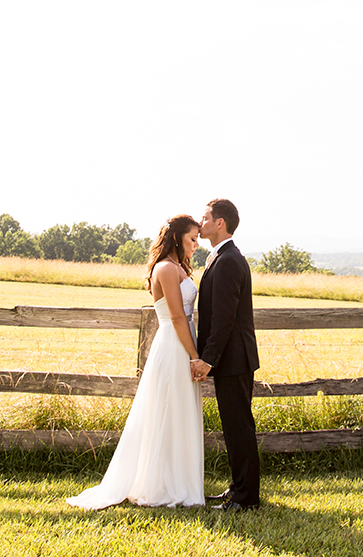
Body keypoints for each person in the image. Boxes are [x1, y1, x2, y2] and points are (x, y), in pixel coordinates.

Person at [66, 214, 207, 509]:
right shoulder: (166, 268)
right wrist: (195, 356)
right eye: (192, 238)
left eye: (197, 239)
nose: (196, 244)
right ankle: (161, 483)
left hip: (183, 341)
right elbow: (178, 317)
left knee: (179, 410)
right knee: (167, 408)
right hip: (173, 345)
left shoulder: (179, 267)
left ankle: (176, 477)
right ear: (177, 237)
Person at [192, 198, 260, 510]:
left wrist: (208, 359)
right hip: (232, 359)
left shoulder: (230, 260)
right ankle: (237, 490)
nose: (200, 222)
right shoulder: (221, 257)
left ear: (220, 223)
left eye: (205, 218)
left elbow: (224, 317)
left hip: (234, 359)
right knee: (234, 428)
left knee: (239, 429)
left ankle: (246, 500)